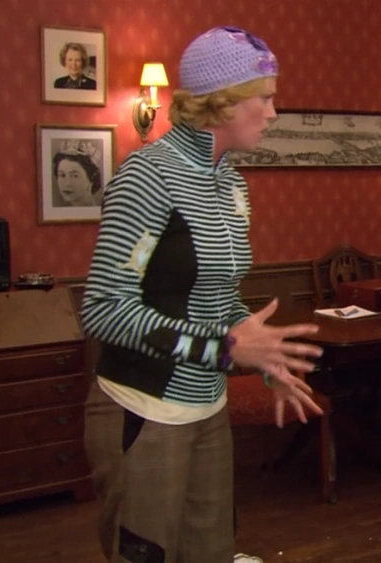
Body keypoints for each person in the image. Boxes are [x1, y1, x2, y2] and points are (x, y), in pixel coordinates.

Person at [81, 26, 324, 563]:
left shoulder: (231, 183)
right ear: (223, 103)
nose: (273, 113)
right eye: (265, 98)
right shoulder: (147, 176)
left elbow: (220, 302)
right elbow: (104, 309)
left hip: (207, 409)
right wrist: (225, 349)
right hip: (143, 410)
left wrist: (267, 361)